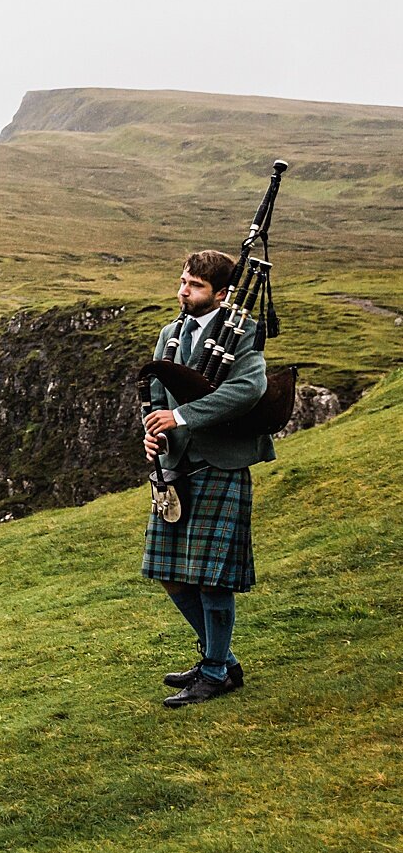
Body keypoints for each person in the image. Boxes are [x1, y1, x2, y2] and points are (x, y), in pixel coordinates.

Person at [142, 248, 275, 707]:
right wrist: (153, 432)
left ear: (221, 293)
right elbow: (156, 390)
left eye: (195, 286)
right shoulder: (170, 333)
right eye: (182, 281)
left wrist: (181, 417)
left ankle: (215, 671)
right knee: (170, 574)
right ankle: (222, 660)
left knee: (212, 578)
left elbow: (247, 389)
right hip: (175, 468)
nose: (184, 291)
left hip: (221, 464)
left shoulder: (243, 332)